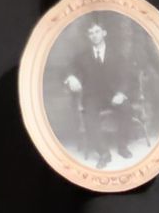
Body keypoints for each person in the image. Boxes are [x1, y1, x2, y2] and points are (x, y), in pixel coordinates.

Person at [60, 17, 143, 165]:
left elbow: (127, 75)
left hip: (113, 94)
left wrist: (121, 93)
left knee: (126, 109)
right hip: (92, 96)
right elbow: (67, 69)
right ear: (88, 36)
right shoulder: (82, 56)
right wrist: (71, 77)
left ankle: (122, 146)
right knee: (89, 117)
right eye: (91, 33)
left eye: (97, 31)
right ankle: (103, 153)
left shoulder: (116, 54)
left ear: (104, 33)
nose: (94, 35)